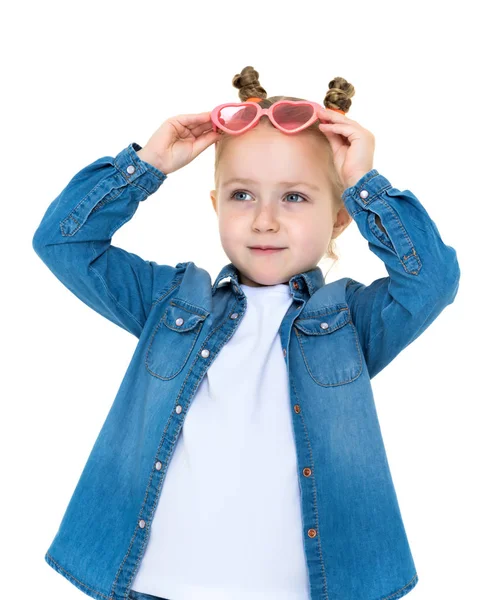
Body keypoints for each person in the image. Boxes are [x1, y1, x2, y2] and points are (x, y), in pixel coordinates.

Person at [32, 65, 460, 600]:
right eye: (241, 195)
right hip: (154, 585)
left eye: (295, 197)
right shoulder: (172, 303)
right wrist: (146, 166)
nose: (263, 220)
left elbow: (433, 282)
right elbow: (63, 243)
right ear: (216, 205)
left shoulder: (350, 323)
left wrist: (365, 186)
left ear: (341, 218)